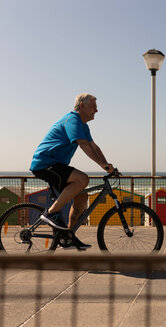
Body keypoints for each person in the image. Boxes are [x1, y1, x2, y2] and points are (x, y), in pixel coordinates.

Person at [30, 93, 116, 249]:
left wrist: (107, 164)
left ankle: (68, 237)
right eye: (93, 106)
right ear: (82, 105)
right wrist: (103, 166)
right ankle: (51, 213)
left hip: (56, 165)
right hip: (45, 163)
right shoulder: (72, 120)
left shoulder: (83, 125)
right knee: (83, 179)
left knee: (82, 196)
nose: (96, 110)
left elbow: (93, 147)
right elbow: (83, 145)